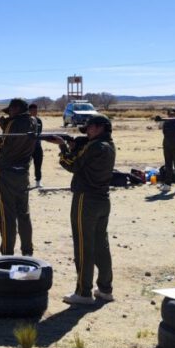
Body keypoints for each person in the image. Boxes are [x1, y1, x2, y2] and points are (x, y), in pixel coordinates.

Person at [55, 115, 116, 305]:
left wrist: (63, 148)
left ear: (99, 128)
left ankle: (83, 292)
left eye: (89, 128)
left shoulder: (94, 146)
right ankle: (105, 289)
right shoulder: (108, 146)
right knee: (101, 245)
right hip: (102, 199)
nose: (87, 131)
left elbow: (71, 165)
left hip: (86, 199)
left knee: (83, 246)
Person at [0, 98, 37, 256]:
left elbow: (2, 147)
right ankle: (27, 251)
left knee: (7, 215)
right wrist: (4, 125)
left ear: (15, 109)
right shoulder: (34, 121)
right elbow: (17, 138)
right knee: (23, 213)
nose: (9, 115)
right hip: (23, 173)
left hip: (8, 174)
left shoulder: (14, 124)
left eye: (11, 112)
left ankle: (7, 253)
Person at [28, 103, 44, 188]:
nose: (35, 112)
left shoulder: (39, 121)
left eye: (36, 110)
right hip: (27, 147)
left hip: (37, 146)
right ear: (29, 111)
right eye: (33, 110)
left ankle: (38, 181)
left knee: (38, 164)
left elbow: (39, 133)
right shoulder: (26, 121)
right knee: (26, 164)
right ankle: (26, 181)